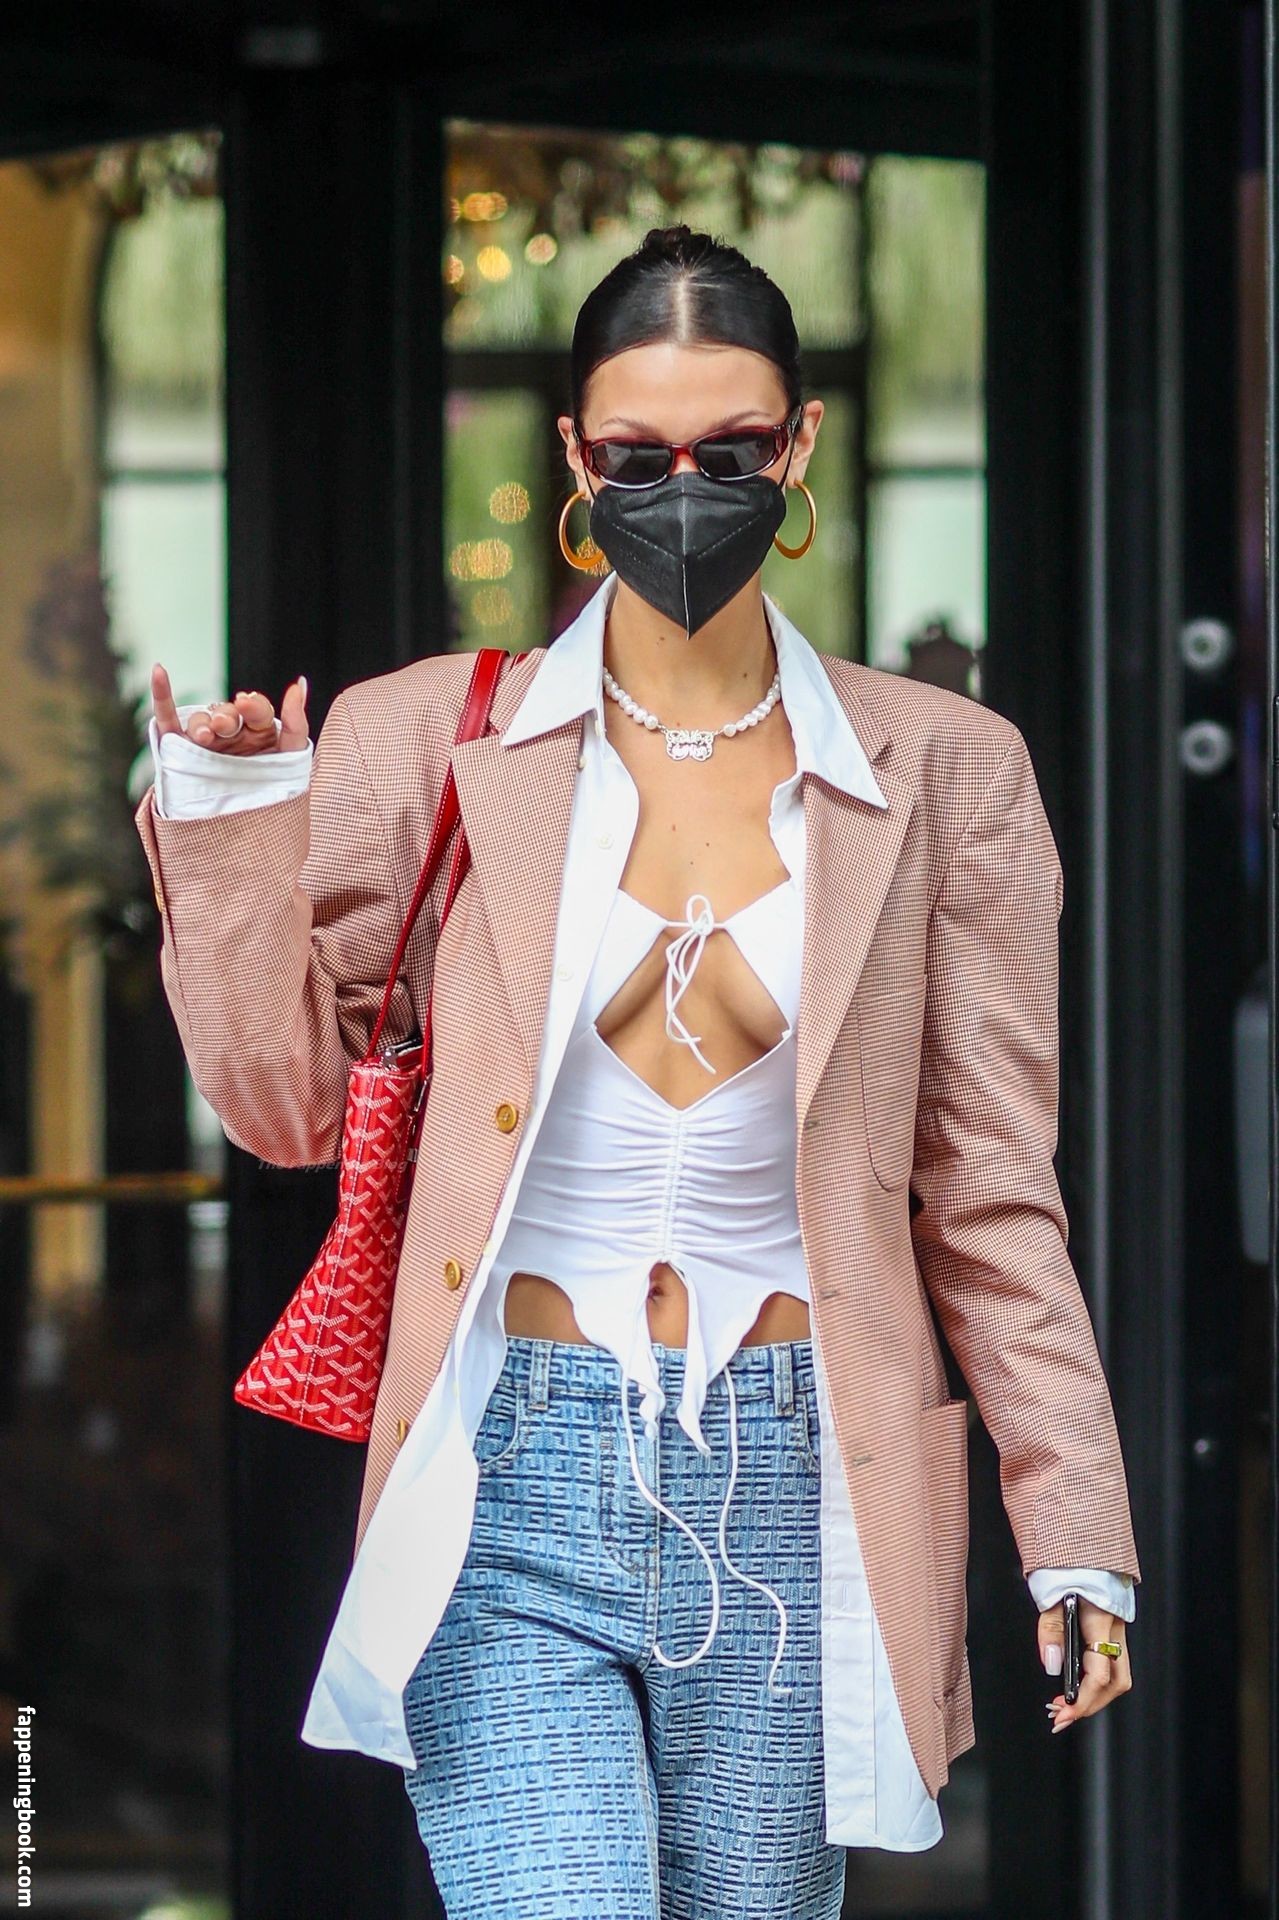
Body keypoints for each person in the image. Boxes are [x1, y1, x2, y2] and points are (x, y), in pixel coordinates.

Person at [135, 223, 1140, 1920]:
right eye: (636, 455)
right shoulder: (430, 738)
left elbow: (987, 1193)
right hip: (513, 1478)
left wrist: (1077, 1522)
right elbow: (288, 1110)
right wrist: (233, 829)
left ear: (798, 448)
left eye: (729, 453)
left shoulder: (945, 771)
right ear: (574, 460)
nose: (684, 493)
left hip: (796, 1478)